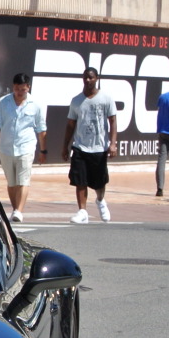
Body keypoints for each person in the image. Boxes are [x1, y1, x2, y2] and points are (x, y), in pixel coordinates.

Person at [0, 73, 47, 222]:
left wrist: (43, 149)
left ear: (28, 87)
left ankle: (19, 211)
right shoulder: (4, 102)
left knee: (23, 180)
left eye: (22, 89)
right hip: (6, 148)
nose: (19, 92)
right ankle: (15, 209)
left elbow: (41, 128)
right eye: (16, 89)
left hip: (26, 146)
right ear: (13, 87)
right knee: (12, 182)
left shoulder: (36, 104)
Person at [61, 67, 117, 224]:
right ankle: (82, 211)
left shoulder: (106, 98)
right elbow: (70, 124)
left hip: (99, 147)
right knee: (80, 180)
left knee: (99, 181)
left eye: (91, 78)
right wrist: (65, 146)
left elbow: (112, 121)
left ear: (97, 78)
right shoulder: (77, 101)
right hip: (80, 146)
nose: (87, 80)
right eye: (85, 77)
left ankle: (100, 201)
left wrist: (112, 143)